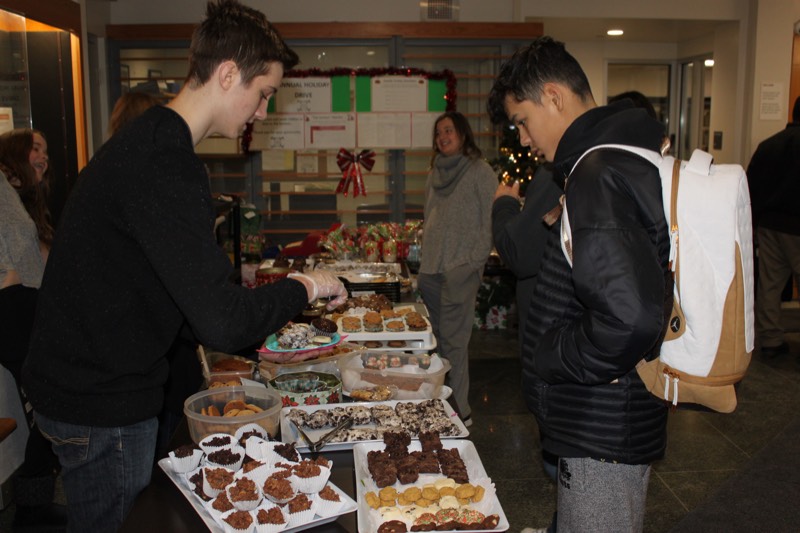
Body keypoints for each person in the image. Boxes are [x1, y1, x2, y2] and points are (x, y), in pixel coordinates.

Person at [21, 1, 347, 531]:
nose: (263, 112)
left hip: (80, 385)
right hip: (101, 400)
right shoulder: (167, 161)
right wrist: (303, 285)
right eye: (264, 93)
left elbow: (184, 294)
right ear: (227, 74)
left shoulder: (150, 141)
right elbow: (221, 322)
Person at [488, 37, 671, 532]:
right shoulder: (608, 159)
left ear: (553, 96)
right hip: (603, 416)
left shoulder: (598, 172)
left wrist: (550, 355)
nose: (523, 140)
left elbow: (629, 317)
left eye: (522, 120)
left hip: (603, 424)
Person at [0, 130, 65, 532]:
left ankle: (34, 506)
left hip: (23, 306)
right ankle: (31, 511)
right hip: (12, 308)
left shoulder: (20, 198)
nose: (43, 156)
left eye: (45, 149)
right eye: (35, 148)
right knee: (53, 403)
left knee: (49, 406)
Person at [417, 111, 496, 426]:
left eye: (448, 130)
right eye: (438, 133)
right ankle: (442, 407)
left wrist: (473, 262)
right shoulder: (434, 172)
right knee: (436, 343)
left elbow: (493, 218)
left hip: (459, 270)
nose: (442, 137)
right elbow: (429, 218)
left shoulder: (480, 171)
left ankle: (460, 412)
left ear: (463, 134)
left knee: (454, 343)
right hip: (431, 271)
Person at [746, 95, 800, 358]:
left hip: (769, 226)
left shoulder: (769, 145)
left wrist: (752, 225)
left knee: (769, 284)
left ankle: (770, 339)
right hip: (796, 227)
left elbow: (751, 186)